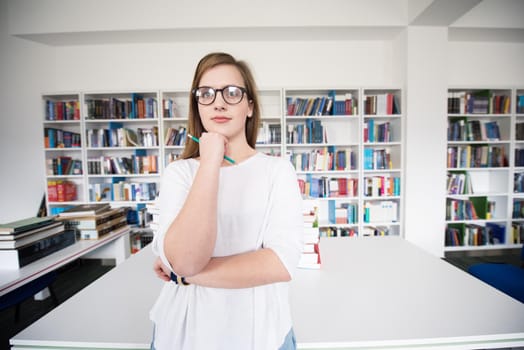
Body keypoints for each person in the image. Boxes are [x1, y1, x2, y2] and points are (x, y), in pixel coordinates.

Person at [149, 52, 304, 350]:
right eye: (206, 94)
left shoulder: (277, 171)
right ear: (197, 106)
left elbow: (281, 264)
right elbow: (184, 258)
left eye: (232, 93)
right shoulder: (179, 173)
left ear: (249, 106)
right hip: (183, 333)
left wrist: (183, 275)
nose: (218, 102)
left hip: (262, 334)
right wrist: (209, 162)